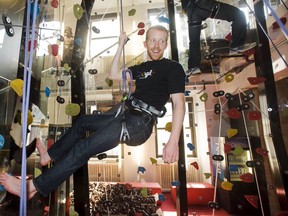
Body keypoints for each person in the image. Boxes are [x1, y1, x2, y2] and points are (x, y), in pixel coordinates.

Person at [0, 25, 186, 199]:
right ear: (145, 43)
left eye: (161, 41)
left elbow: (179, 103)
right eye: (153, 40)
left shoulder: (173, 68)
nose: (156, 45)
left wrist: (172, 141)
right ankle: (49, 156)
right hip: (125, 112)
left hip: (139, 124)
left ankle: (31, 188)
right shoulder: (142, 68)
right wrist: (120, 45)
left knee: (83, 148)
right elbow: (113, 75)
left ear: (166, 44)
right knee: (82, 122)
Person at [181, 0, 256, 76]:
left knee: (194, 40)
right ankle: (236, 45)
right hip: (202, 4)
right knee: (238, 15)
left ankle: (193, 67)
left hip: (190, 10)